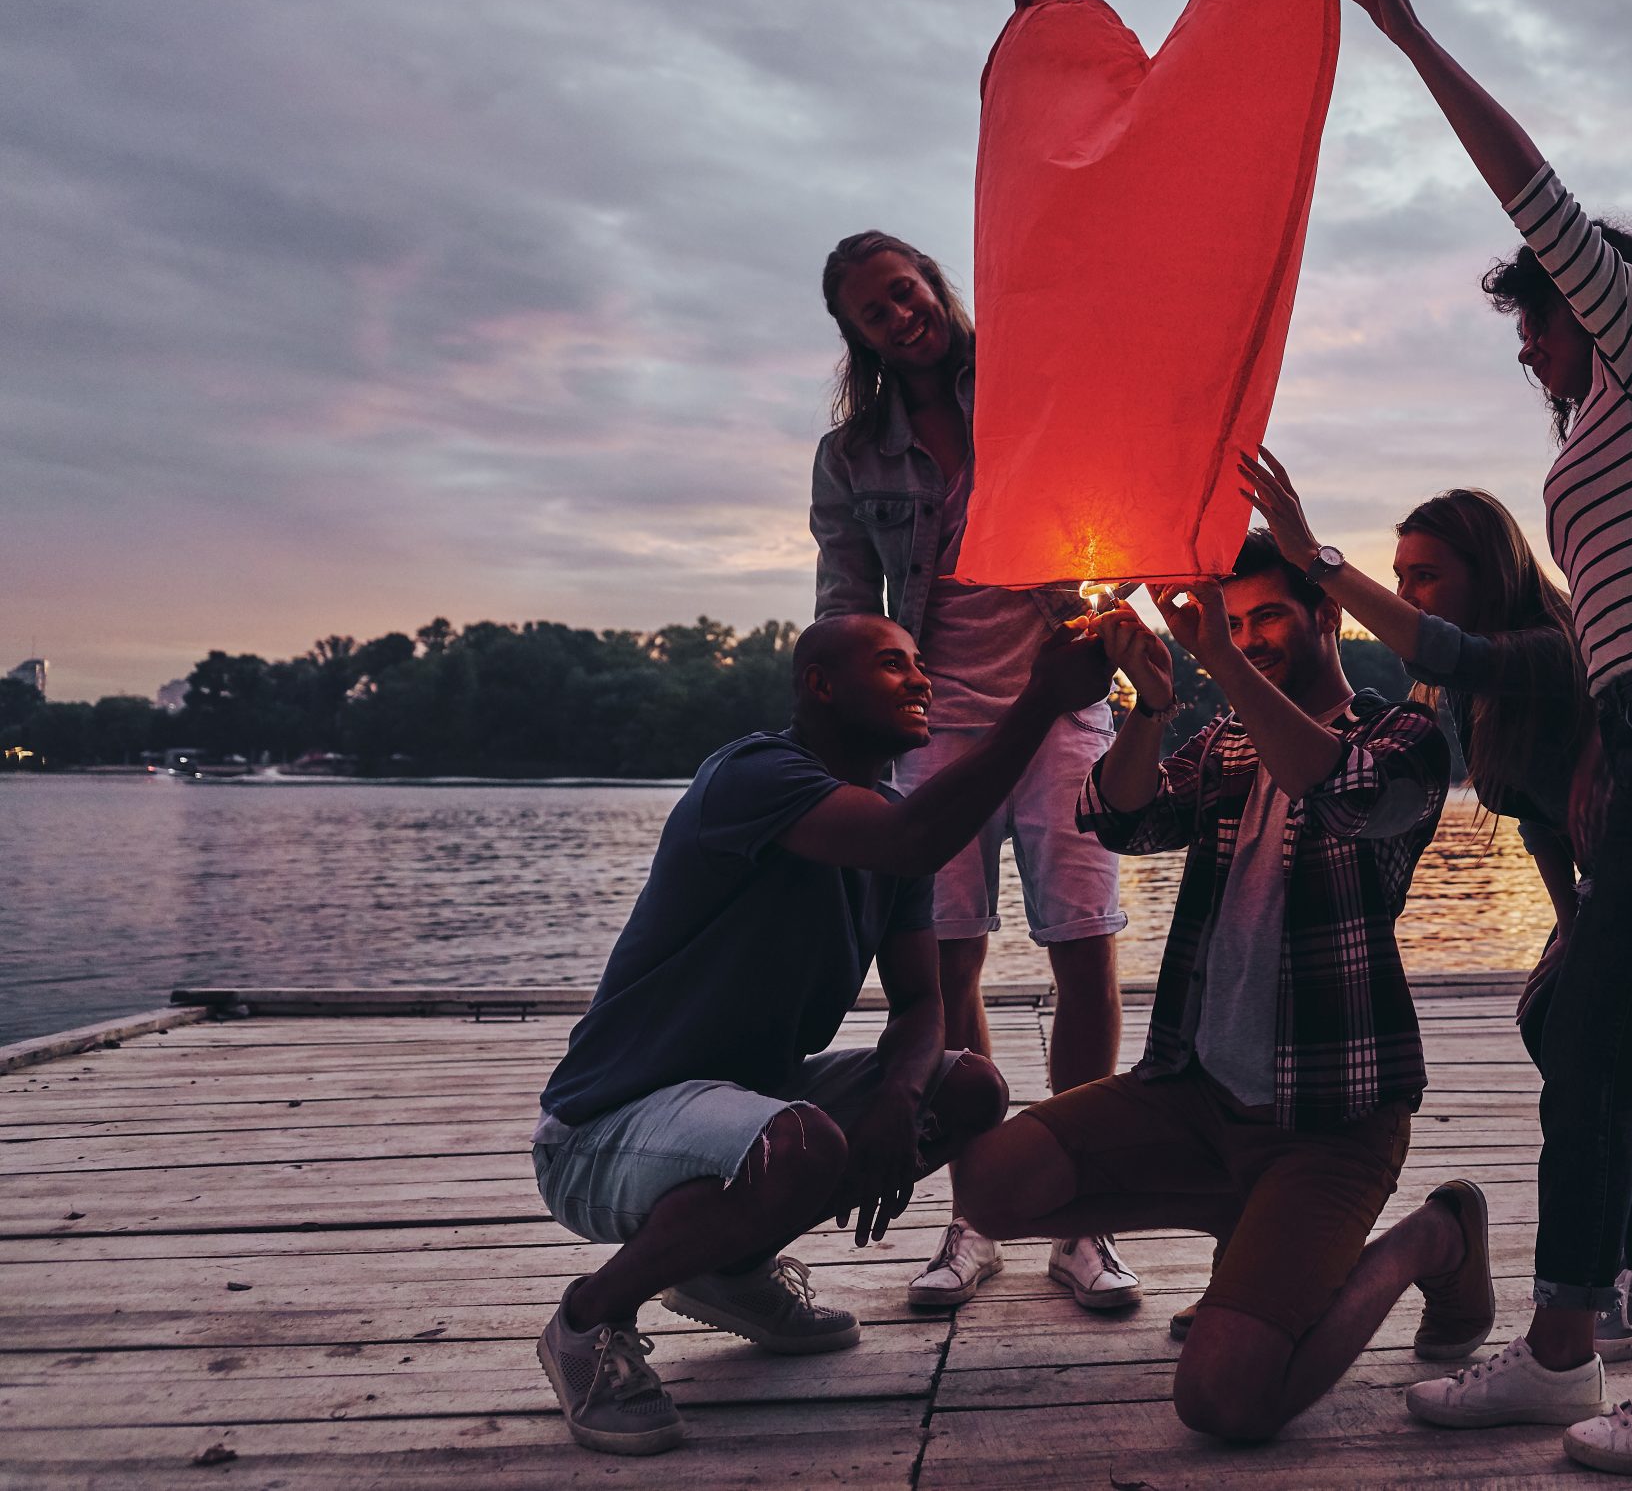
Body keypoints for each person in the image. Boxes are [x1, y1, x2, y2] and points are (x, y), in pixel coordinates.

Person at [1324, 0, 1632, 1475]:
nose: (1530, 345)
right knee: (1576, 1029)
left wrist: (1411, 39)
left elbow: (1532, 188)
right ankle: (1557, 1352)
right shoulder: (1609, 424)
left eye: (1535, 320)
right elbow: (1537, 652)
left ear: (1590, 301)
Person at [951, 534, 1494, 1443]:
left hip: (1330, 1124)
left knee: (1226, 1403)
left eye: (1269, 616)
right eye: (1234, 624)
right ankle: (1239, 1228)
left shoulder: (1403, 738)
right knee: (990, 1186)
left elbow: (1345, 793)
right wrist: (1154, 706)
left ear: (1327, 614)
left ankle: (1434, 1237)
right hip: (1195, 1097)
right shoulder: (1229, 743)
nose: (1249, 638)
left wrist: (1217, 660)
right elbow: (1116, 818)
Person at [528, 614, 1110, 1455]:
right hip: (603, 1130)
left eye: (919, 665)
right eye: (890, 665)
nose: (920, 680)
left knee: (970, 1088)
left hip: (741, 1113)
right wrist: (1043, 699)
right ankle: (588, 1323)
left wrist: (897, 1102)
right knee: (802, 1145)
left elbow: (919, 1004)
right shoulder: (754, 775)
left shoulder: (893, 818)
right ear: (820, 686)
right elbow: (918, 839)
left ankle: (730, 1270)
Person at [1235, 456, 1632, 1363]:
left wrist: (1315, 558)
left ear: (1486, 573)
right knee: (1555, 1036)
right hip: (1605, 891)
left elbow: (1442, 650)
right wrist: (1568, 925)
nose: (1411, 590)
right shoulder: (1479, 695)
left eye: (1426, 574)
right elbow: (1541, 820)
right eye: (1401, 574)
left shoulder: (1539, 649)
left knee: (1576, 1057)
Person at [812, 229, 1142, 1315]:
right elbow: (846, 600)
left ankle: (1082, 1212)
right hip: (935, 720)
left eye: (904, 291)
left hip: (1062, 701)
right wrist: (850, 731)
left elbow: (1125, 494)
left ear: (932, 285)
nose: (897, 314)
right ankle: (980, 1210)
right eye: (873, 310)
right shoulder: (853, 454)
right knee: (948, 965)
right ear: (855, 334)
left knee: (1083, 949)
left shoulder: (1033, 383)